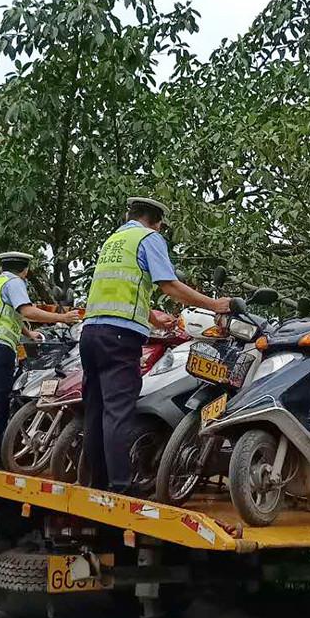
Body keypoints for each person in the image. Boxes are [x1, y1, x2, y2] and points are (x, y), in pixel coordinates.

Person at [81, 197, 232, 493]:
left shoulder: (114, 241)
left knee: (96, 410)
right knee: (119, 411)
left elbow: (118, 288)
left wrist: (153, 318)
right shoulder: (149, 238)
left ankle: (95, 482)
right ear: (157, 221)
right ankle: (121, 486)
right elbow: (169, 284)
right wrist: (215, 304)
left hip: (91, 333)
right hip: (119, 337)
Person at [0, 251, 80, 468]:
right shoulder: (15, 283)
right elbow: (27, 310)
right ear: (25, 270)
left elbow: (11, 313)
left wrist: (29, 333)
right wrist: (62, 317)